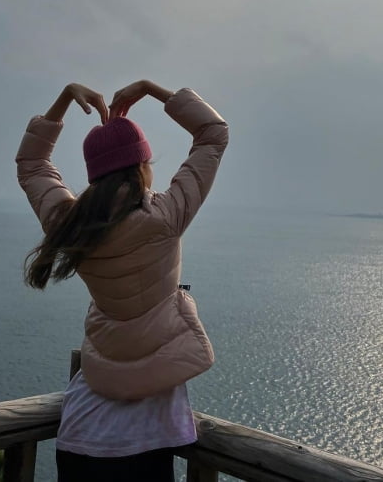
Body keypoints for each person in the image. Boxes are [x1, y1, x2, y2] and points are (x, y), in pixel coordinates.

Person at [16, 79, 229, 482]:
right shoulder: (165, 219)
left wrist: (62, 99)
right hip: (146, 439)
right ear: (142, 166)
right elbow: (213, 134)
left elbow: (31, 165)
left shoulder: (70, 224)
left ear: (95, 176)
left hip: (81, 430)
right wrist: (153, 90)